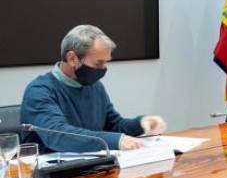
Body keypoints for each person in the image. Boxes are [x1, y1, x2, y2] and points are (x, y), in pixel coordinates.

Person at [21, 25, 166, 152]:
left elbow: (113, 125)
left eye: (105, 63)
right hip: (50, 177)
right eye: (98, 63)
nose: (103, 69)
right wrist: (116, 141)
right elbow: (58, 135)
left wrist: (140, 124)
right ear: (72, 58)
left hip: (91, 169)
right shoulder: (39, 90)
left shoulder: (94, 86)